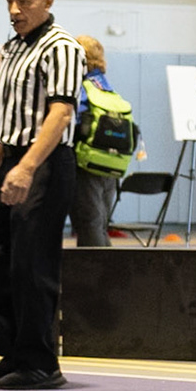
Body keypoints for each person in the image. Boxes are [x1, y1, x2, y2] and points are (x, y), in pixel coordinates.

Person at [0, 0, 85, 391]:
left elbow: (60, 113)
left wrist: (26, 167)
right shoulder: (12, 48)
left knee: (32, 264)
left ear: (47, 2)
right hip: (12, 157)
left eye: (24, 1)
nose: (15, 10)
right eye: (9, 1)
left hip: (46, 162)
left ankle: (41, 363)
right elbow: (8, 117)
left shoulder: (63, 48)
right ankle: (15, 351)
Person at [69, 35, 123, 247]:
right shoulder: (106, 85)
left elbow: (73, 120)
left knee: (88, 222)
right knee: (99, 222)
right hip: (111, 161)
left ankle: (94, 275)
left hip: (86, 162)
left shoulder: (81, 86)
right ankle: (108, 272)